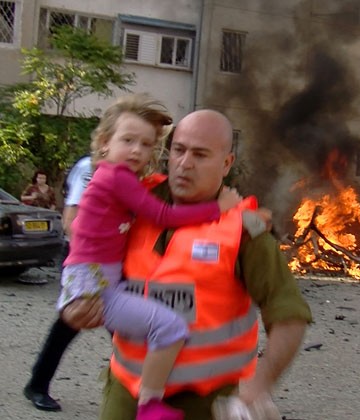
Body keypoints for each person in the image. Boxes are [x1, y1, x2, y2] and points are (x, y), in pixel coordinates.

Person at [62, 109, 312, 420]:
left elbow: (289, 314)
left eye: (200, 154)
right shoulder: (135, 201)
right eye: (178, 150)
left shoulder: (244, 230)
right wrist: (78, 306)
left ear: (226, 163)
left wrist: (260, 385)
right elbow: (86, 243)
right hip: (126, 392)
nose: (184, 163)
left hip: (203, 404)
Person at [23, 155, 93, 412]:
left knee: (121, 329)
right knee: (70, 322)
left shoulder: (130, 170)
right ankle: (37, 385)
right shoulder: (90, 167)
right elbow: (71, 220)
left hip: (112, 262)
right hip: (87, 260)